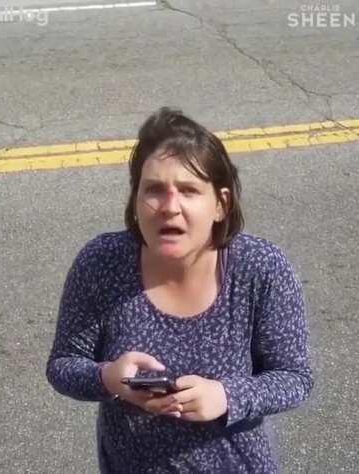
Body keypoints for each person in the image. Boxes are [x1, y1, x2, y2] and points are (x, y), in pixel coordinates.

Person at [46, 107, 314, 473]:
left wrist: (227, 396)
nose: (170, 207)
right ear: (136, 200)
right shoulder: (101, 262)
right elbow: (64, 364)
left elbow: (294, 377)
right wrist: (109, 378)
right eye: (154, 190)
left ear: (221, 204)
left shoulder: (261, 267)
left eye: (189, 191)